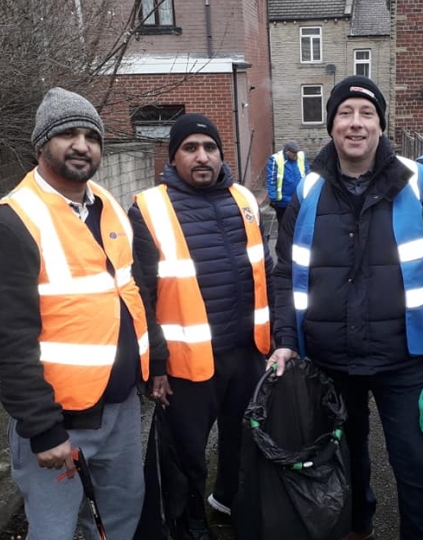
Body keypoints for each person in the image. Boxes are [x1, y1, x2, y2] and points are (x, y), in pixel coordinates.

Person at [267, 75, 423, 540]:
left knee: (415, 463)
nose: (355, 124)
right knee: (343, 457)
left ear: (380, 125)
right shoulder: (308, 191)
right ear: (332, 125)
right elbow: (285, 274)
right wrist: (286, 342)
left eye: (366, 115)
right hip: (329, 357)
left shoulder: (417, 185)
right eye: (345, 114)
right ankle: (357, 527)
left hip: (403, 355)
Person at [0, 87, 168, 540]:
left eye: (92, 136)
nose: (83, 145)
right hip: (60, 421)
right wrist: (41, 429)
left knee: (120, 520)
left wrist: (155, 360)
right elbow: (8, 342)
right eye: (68, 134)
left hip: (119, 410)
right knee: (55, 531)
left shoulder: (107, 205)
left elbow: (132, 292)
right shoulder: (10, 222)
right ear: (41, 145)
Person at [129, 113, 273, 540]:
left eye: (209, 148)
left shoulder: (244, 200)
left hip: (246, 354)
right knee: (182, 457)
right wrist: (155, 363)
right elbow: (141, 293)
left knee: (244, 444)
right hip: (185, 365)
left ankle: (228, 507)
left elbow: (266, 272)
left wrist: (277, 341)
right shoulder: (150, 207)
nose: (202, 156)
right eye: (190, 148)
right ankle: (183, 526)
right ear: (173, 156)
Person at [266, 140, 310, 223]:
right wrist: (273, 198)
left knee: (298, 225)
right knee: (284, 225)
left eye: (297, 153)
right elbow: (272, 180)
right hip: (283, 201)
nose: (296, 155)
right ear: (287, 152)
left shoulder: (301, 156)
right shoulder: (276, 159)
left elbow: (307, 173)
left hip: (299, 199)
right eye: (294, 153)